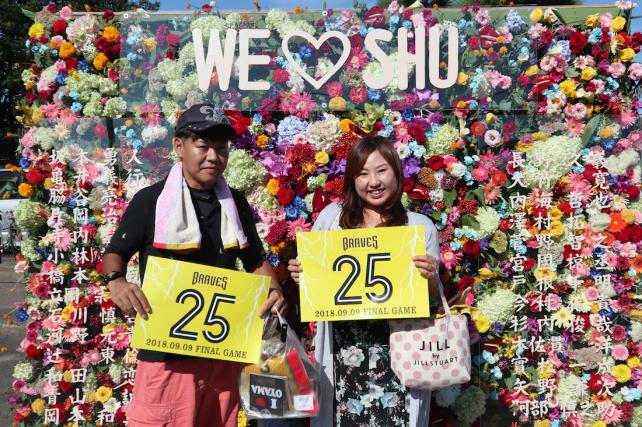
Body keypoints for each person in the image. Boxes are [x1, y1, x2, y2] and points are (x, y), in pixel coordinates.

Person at [102, 103, 286, 427]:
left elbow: (254, 259)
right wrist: (116, 280)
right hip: (166, 356)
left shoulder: (235, 202)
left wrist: (274, 289)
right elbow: (115, 252)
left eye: (221, 148)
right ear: (179, 146)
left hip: (222, 353)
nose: (213, 156)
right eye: (203, 146)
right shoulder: (151, 200)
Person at [288, 135, 441, 427]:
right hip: (342, 352)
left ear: (396, 172)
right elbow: (316, 283)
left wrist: (430, 277)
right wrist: (301, 274)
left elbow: (432, 299)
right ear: (352, 179)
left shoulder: (418, 227)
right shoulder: (332, 219)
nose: (374, 182)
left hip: (399, 353)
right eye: (363, 174)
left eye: (382, 170)